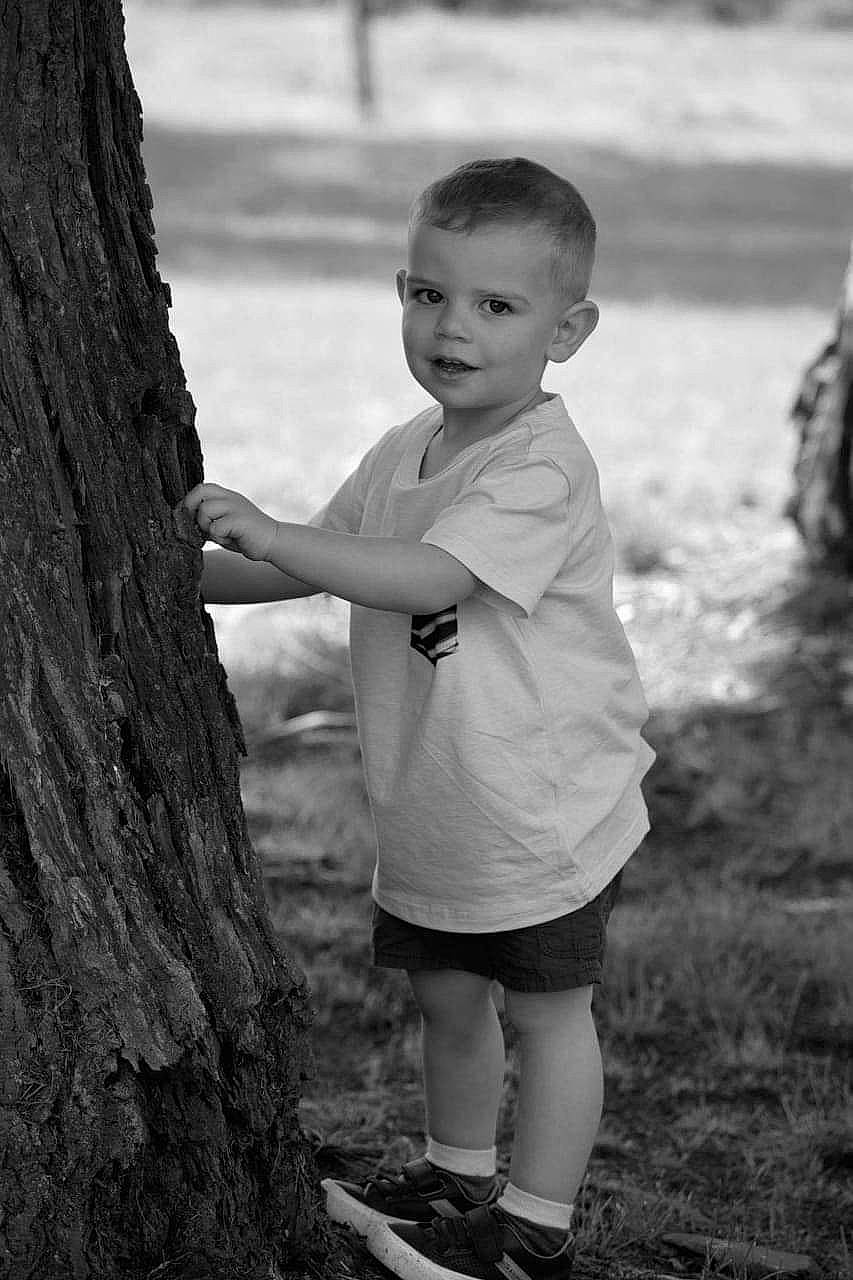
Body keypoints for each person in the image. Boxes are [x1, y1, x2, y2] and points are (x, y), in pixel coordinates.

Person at [180, 156, 655, 1280]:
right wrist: (185, 571)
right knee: (447, 996)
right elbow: (320, 561)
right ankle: (455, 1171)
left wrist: (276, 534)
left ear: (567, 327)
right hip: (438, 802)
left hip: (540, 805)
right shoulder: (407, 447)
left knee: (546, 1014)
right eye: (428, 294)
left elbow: (428, 576)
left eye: (497, 305)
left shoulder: (540, 465)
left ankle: (533, 1229)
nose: (454, 327)